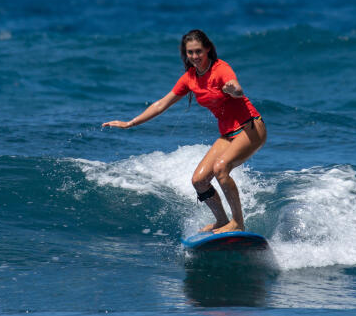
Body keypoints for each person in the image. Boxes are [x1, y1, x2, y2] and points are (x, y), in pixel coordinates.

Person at [103, 29, 267, 234]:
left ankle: (238, 223)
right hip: (228, 134)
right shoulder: (189, 78)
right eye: (190, 52)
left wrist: (233, 90)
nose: (195, 57)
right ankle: (222, 221)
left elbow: (237, 88)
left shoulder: (220, 69)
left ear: (207, 49)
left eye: (198, 51)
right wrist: (130, 123)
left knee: (221, 168)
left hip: (250, 127)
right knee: (199, 181)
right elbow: (161, 104)